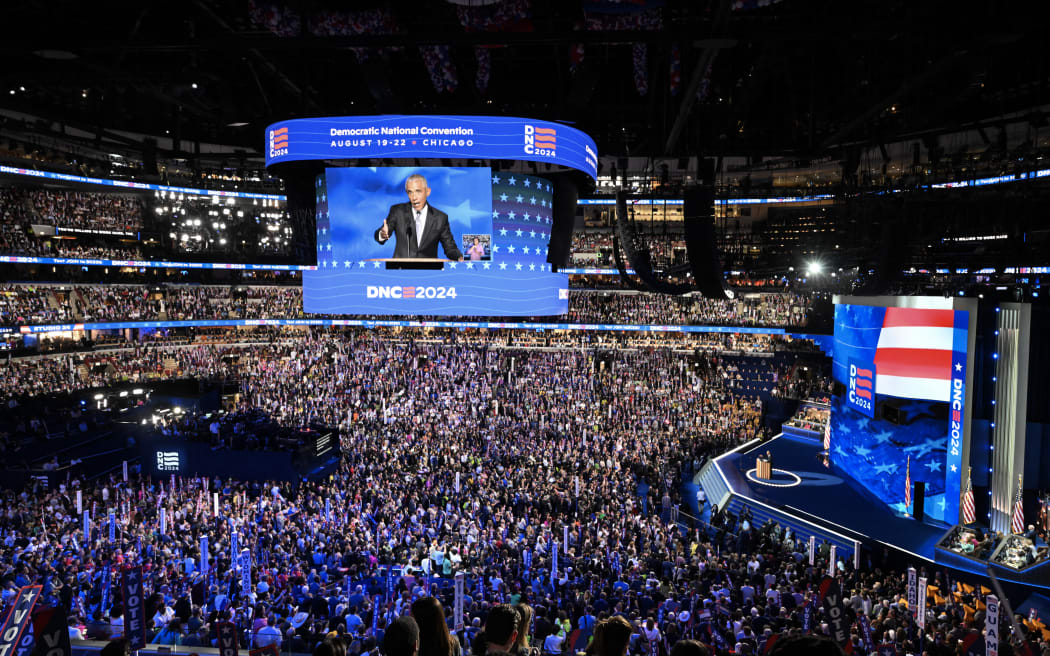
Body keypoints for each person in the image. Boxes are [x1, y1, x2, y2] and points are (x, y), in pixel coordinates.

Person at [374, 174, 463, 261]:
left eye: (418, 191)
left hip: (428, 271)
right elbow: (383, 234)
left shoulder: (440, 218)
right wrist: (382, 234)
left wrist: (459, 257)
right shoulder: (397, 211)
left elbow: (450, 248)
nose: (414, 197)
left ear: (427, 192)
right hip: (401, 270)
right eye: (410, 192)